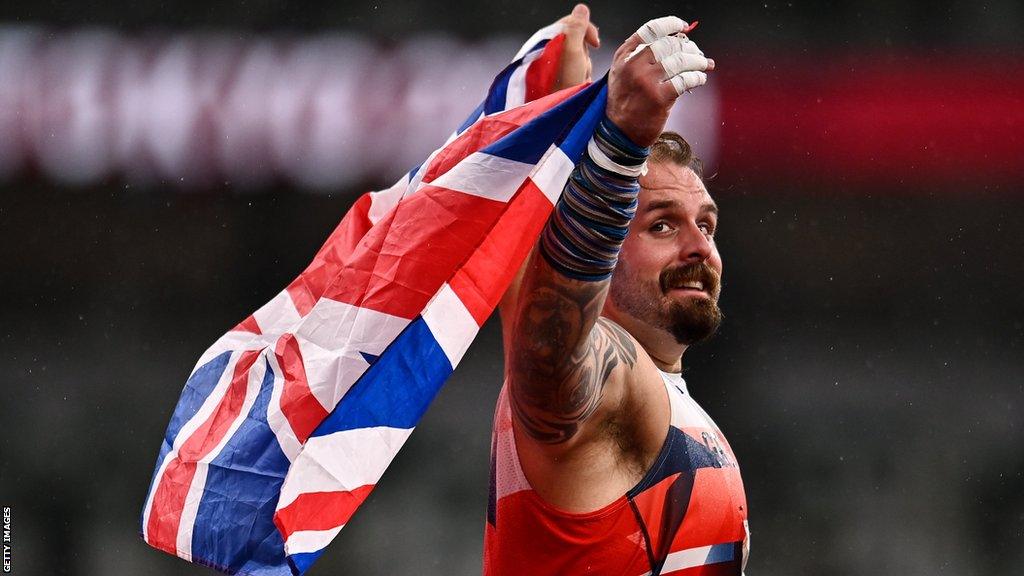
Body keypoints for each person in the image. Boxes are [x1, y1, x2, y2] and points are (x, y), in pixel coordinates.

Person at [484, 6, 750, 575]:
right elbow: (549, 353)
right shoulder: (615, 383)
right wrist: (617, 148)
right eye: (660, 225)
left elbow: (527, 246)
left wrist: (561, 117)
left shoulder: (658, 392)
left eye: (706, 224)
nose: (699, 248)